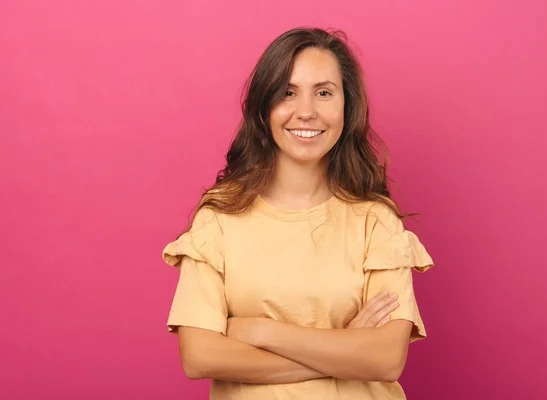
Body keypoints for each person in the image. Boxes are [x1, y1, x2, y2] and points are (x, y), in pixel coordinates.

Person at [162, 27, 434, 399]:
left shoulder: (376, 222)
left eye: (324, 93)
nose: (306, 112)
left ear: (346, 106)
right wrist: (346, 348)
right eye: (287, 93)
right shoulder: (218, 219)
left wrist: (260, 332)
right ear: (264, 107)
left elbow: (385, 360)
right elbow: (199, 356)